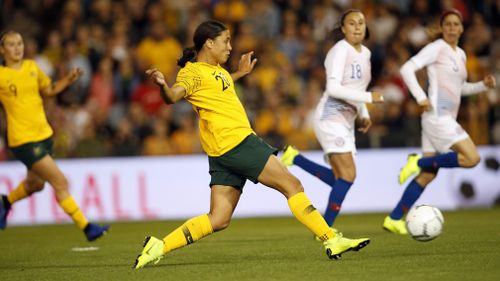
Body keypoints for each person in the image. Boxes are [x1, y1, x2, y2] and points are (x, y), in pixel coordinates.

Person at [133, 20, 370, 269]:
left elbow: (215, 88)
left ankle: (158, 246)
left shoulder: (219, 71)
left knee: (219, 219)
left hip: (221, 151)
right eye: (225, 41)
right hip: (237, 141)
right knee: (293, 186)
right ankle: (331, 239)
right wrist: (162, 85)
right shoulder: (192, 72)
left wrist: (240, 74)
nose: (230, 47)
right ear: (209, 43)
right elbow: (173, 96)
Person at [383, 9, 497, 235]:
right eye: (448, 24)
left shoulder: (461, 55)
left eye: (456, 24)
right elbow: (407, 68)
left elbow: (459, 88)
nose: (453, 28)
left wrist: (482, 85)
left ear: (462, 29)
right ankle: (416, 162)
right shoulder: (436, 48)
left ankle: (394, 218)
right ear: (443, 28)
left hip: (438, 119)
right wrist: (420, 97)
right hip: (437, 116)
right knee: (472, 158)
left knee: (428, 175)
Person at [280, 9, 384, 233]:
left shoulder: (365, 53)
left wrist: (364, 113)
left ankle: (295, 158)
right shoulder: (339, 51)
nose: (357, 27)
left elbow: (357, 88)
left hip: (345, 121)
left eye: (361, 23)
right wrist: (369, 99)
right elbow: (334, 88)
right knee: (348, 175)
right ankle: (326, 230)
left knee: (340, 178)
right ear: (343, 28)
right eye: (352, 23)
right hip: (330, 118)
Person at [0, 31, 109, 241]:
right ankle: (87, 228)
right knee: (60, 182)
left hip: (44, 134)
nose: (17, 48)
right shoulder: (2, 76)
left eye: (20, 43)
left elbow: (49, 90)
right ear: (2, 50)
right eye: (12, 45)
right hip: (23, 139)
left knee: (36, 184)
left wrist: (67, 79)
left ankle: (5, 202)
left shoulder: (32, 68)